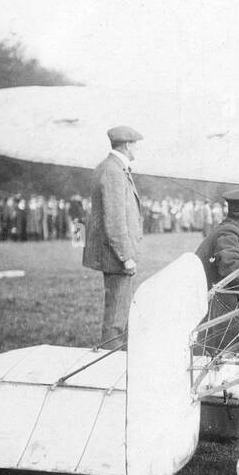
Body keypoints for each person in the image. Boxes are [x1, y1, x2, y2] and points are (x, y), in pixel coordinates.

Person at [82, 125, 144, 346]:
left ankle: (117, 356)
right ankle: (111, 361)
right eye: (135, 144)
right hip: (116, 256)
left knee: (119, 312)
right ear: (127, 145)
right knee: (116, 317)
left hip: (114, 254)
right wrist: (126, 256)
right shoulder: (113, 171)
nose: (137, 149)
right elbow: (115, 219)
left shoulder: (113, 168)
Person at [194, 186, 239, 353]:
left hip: (222, 300)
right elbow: (231, 267)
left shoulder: (236, 230)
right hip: (213, 308)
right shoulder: (229, 233)